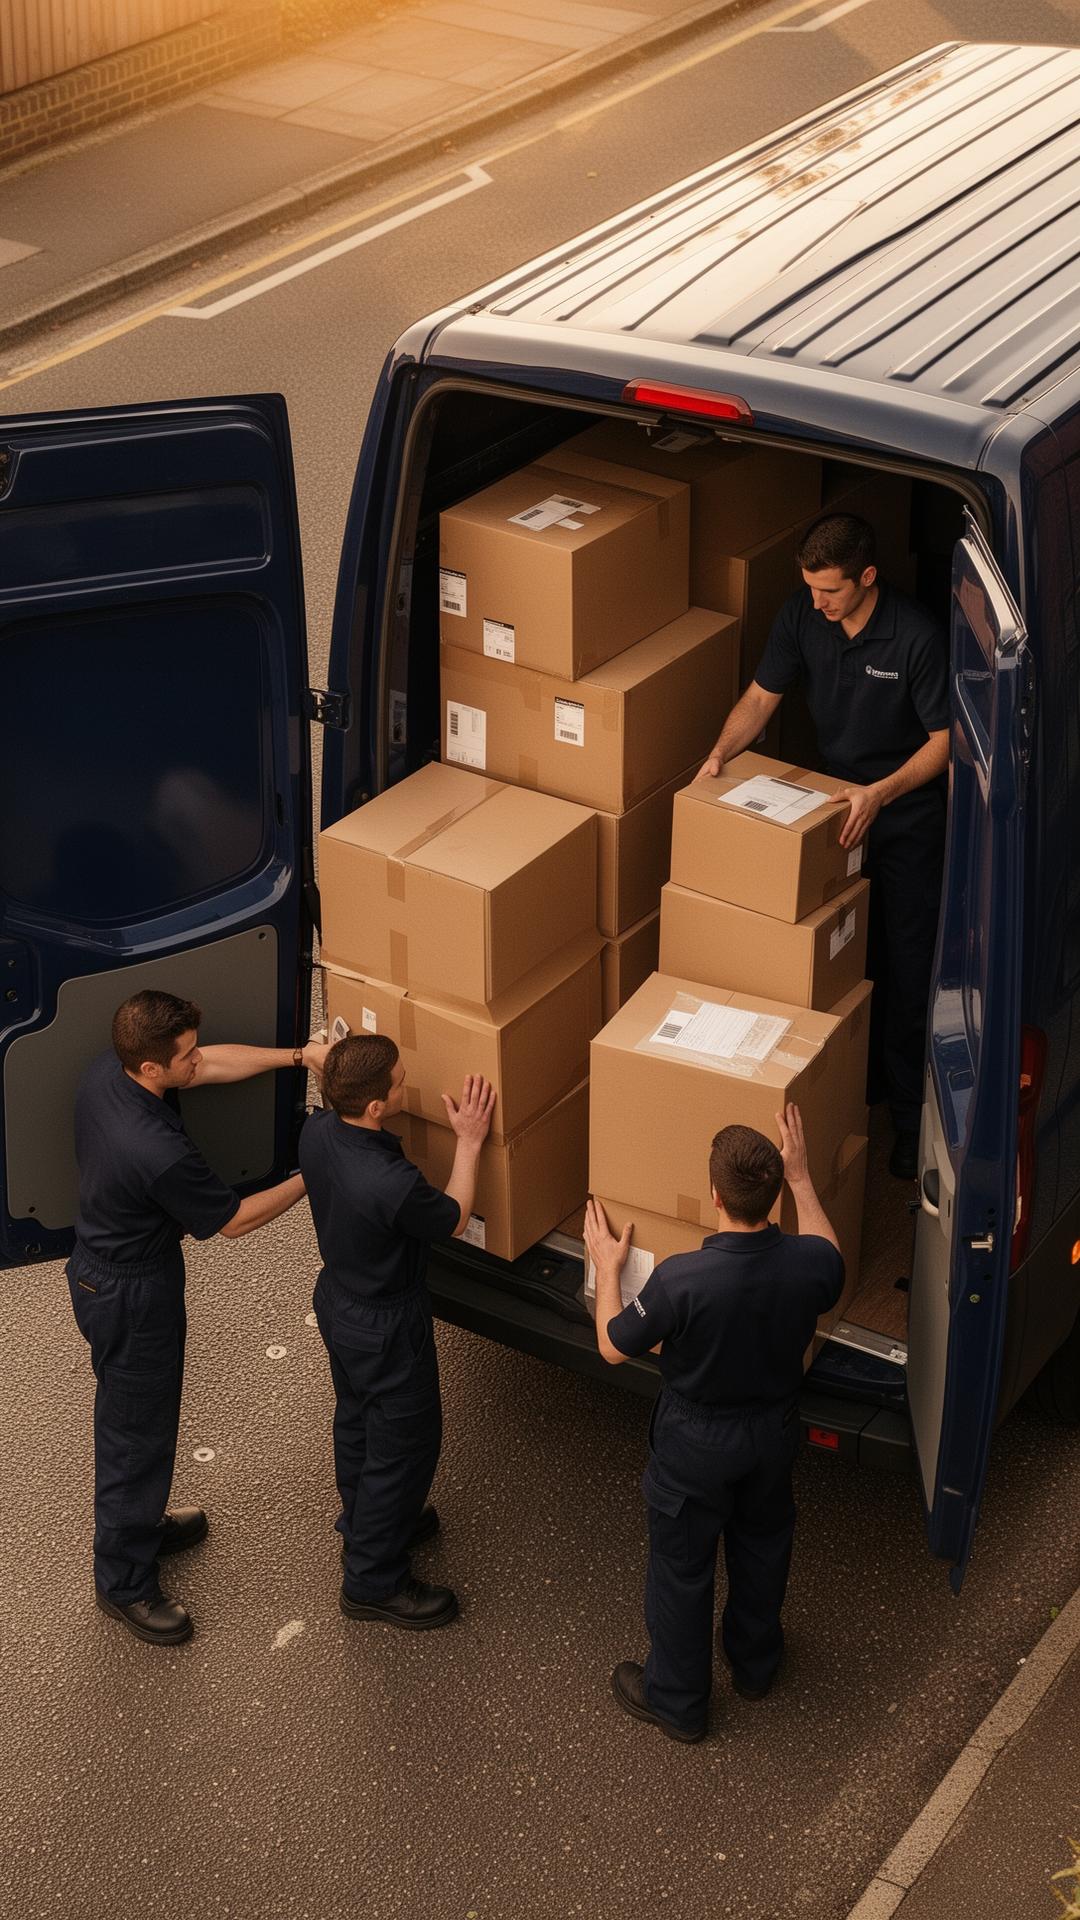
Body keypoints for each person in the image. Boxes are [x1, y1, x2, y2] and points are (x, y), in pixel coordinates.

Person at [68, 990, 327, 1646]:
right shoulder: (154, 1147)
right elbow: (235, 1222)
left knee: (141, 1424)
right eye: (182, 1058)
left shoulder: (109, 1071)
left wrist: (302, 1056)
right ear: (151, 1067)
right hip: (131, 1293)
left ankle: (143, 1524)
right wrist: (313, 1173)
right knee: (135, 1433)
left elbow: (210, 1064)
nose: (195, 1063)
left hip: (106, 1267)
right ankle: (123, 1580)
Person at [701, 513, 949, 1179]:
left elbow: (944, 744)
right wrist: (719, 756)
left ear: (867, 578)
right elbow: (761, 697)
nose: (816, 603)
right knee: (834, 958)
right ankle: (841, 1096)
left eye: (830, 592)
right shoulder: (801, 615)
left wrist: (882, 792)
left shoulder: (917, 638)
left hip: (903, 817)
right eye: (810, 589)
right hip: (835, 809)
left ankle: (906, 1117)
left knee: (903, 964)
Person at [584, 1106, 843, 1743]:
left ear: (715, 1197)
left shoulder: (683, 1280)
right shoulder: (807, 1264)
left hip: (697, 1442)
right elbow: (829, 1253)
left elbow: (615, 1345)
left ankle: (678, 1702)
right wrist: (804, 1179)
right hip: (773, 1433)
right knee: (762, 1546)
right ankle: (755, 1666)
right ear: (775, 1193)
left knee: (683, 1567)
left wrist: (608, 1270)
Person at [299, 1034, 495, 1631]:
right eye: (399, 1079)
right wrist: (469, 1141)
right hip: (385, 1321)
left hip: (340, 1300)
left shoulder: (318, 1131)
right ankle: (372, 1580)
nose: (406, 1080)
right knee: (404, 1443)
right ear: (377, 1106)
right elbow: (454, 1218)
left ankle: (368, 1521)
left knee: (358, 1419)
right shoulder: (389, 1182)